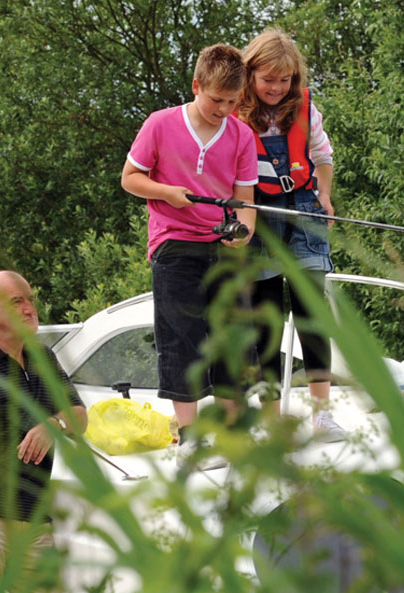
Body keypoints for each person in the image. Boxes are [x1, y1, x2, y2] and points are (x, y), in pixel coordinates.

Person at [120, 43, 260, 429]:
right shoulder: (159, 123)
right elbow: (130, 179)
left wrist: (244, 230)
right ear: (197, 85)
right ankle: (190, 436)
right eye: (216, 99)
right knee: (182, 339)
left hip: (222, 244)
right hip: (173, 242)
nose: (224, 109)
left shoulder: (242, 135)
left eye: (233, 101)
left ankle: (235, 434)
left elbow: (246, 200)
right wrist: (167, 193)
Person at [0, 271, 87, 580]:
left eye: (31, 300)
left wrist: (54, 424)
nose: (29, 309)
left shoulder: (43, 357)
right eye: (16, 301)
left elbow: (79, 415)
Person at [233, 29, 341, 437]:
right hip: (257, 220)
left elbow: (322, 156)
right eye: (268, 80)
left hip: (304, 214)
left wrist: (325, 196)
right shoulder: (236, 111)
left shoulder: (306, 108)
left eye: (284, 80)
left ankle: (322, 415)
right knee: (266, 322)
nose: (276, 88)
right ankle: (272, 420)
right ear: (251, 75)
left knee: (313, 314)